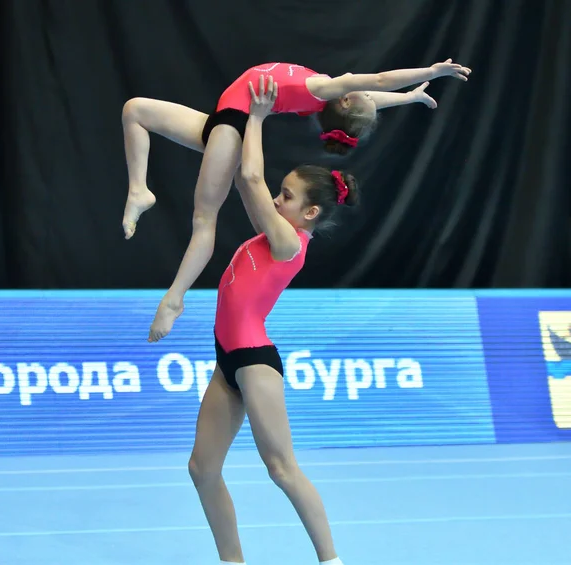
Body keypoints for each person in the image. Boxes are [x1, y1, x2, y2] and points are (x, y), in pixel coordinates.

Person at [154, 75, 356, 565]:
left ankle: (332, 561)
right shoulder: (272, 234)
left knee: (282, 468)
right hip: (227, 362)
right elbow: (250, 184)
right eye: (279, 193)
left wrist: (257, 120)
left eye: (285, 196)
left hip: (254, 360)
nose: (276, 199)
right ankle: (232, 561)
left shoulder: (289, 244)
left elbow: (248, 179)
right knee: (202, 468)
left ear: (309, 213)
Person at [126, 59, 471, 339]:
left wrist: (431, 71)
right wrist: (409, 97)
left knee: (204, 219)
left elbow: (380, 81)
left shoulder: (320, 88)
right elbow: (376, 95)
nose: (363, 89)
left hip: (236, 127)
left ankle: (174, 299)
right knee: (135, 110)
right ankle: (139, 190)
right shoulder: (324, 91)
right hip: (224, 117)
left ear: (347, 98)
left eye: (360, 93)